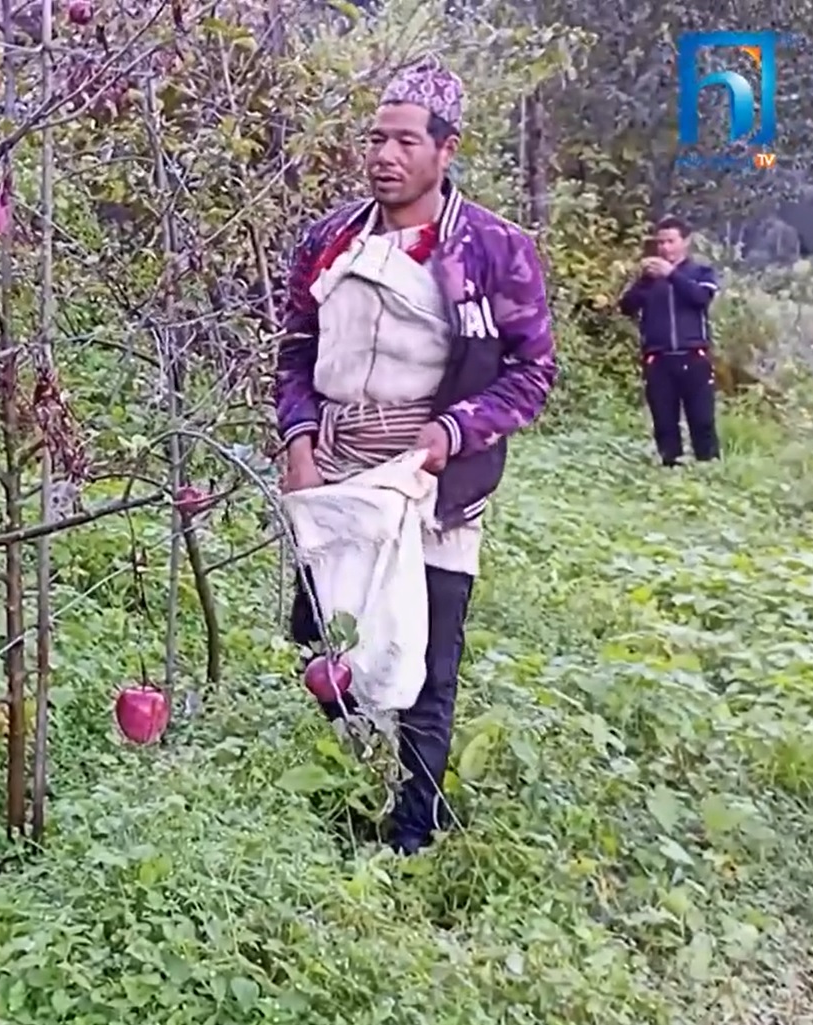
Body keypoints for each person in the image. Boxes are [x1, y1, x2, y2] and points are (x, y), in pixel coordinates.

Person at [271, 56, 558, 854]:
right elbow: (295, 349)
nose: (383, 156)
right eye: (375, 138)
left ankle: (412, 832)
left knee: (425, 661)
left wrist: (448, 435)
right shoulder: (329, 240)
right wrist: (298, 440)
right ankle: (334, 799)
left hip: (431, 487)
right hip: (331, 474)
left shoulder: (493, 249)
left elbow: (532, 370)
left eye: (403, 140)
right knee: (326, 643)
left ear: (445, 149)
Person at [618, 216, 721, 466]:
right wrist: (644, 280)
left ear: (685, 242)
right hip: (658, 358)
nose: (665, 248)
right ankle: (669, 468)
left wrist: (672, 274)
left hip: (694, 356)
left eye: (671, 241)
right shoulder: (650, 280)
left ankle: (709, 469)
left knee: (702, 420)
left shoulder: (701, 272)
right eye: (660, 242)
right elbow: (626, 307)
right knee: (664, 421)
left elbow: (700, 298)